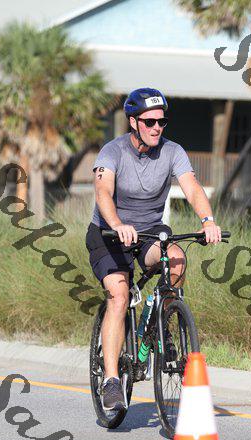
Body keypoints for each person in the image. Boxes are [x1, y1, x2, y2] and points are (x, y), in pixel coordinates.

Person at [85, 87, 222, 411]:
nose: (157, 127)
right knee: (119, 296)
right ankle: (112, 380)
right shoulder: (112, 151)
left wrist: (207, 220)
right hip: (109, 234)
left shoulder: (173, 151)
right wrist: (117, 223)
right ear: (133, 122)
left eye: (162, 121)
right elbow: (103, 192)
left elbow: (192, 188)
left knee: (176, 258)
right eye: (149, 122)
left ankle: (164, 321)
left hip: (148, 234)